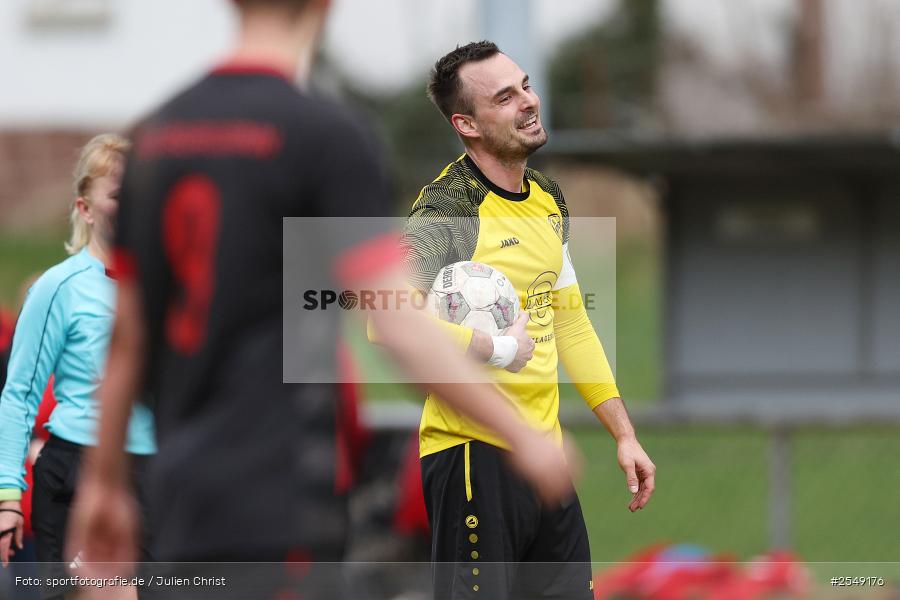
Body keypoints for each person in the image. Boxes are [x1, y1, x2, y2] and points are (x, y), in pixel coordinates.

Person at [66, 2, 574, 598]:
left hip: (182, 490)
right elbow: (396, 321)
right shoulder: (325, 137)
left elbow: (128, 338)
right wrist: (519, 434)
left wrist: (101, 486)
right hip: (281, 492)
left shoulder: (156, 137)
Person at [401, 41, 658, 599]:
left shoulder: (547, 199)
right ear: (466, 124)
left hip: (546, 457)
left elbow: (570, 321)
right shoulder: (447, 209)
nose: (528, 102)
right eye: (505, 96)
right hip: (471, 456)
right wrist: (494, 348)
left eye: (525, 85)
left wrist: (624, 434)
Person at [0, 134, 157, 599]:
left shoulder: (165, 285)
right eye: (116, 195)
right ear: (85, 209)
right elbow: (19, 395)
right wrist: (9, 497)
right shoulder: (59, 287)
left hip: (157, 474)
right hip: (78, 473)